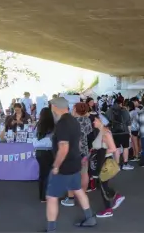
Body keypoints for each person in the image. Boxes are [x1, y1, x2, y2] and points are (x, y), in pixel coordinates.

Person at [45, 97, 96, 232]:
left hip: (64, 167)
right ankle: (89, 218)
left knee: (51, 197)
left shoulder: (62, 124)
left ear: (55, 107)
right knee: (78, 190)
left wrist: (56, 166)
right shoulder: (74, 121)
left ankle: (51, 229)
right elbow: (78, 143)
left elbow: (64, 148)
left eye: (51, 107)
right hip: (75, 163)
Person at [92, 114, 125, 218]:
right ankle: (114, 200)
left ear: (101, 121)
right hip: (102, 160)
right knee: (103, 185)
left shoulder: (106, 133)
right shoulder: (101, 132)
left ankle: (110, 207)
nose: (93, 122)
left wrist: (100, 153)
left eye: (95, 120)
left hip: (104, 161)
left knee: (102, 185)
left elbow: (113, 148)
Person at [61, 103, 93, 207]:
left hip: (72, 152)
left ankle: (71, 198)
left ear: (75, 109)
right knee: (84, 173)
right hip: (84, 150)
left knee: (71, 174)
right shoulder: (87, 120)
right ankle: (82, 196)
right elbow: (89, 133)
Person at [33, 107, 55, 202]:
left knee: (42, 174)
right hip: (48, 151)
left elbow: (34, 136)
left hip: (38, 152)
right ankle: (46, 196)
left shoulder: (38, 125)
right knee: (47, 174)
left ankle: (41, 195)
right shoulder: (53, 125)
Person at [106, 98, 134, 170]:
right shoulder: (125, 110)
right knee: (125, 148)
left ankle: (117, 165)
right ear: (121, 104)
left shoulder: (109, 111)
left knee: (117, 148)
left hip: (114, 132)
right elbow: (129, 123)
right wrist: (130, 133)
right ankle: (125, 164)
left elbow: (106, 123)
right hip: (124, 132)